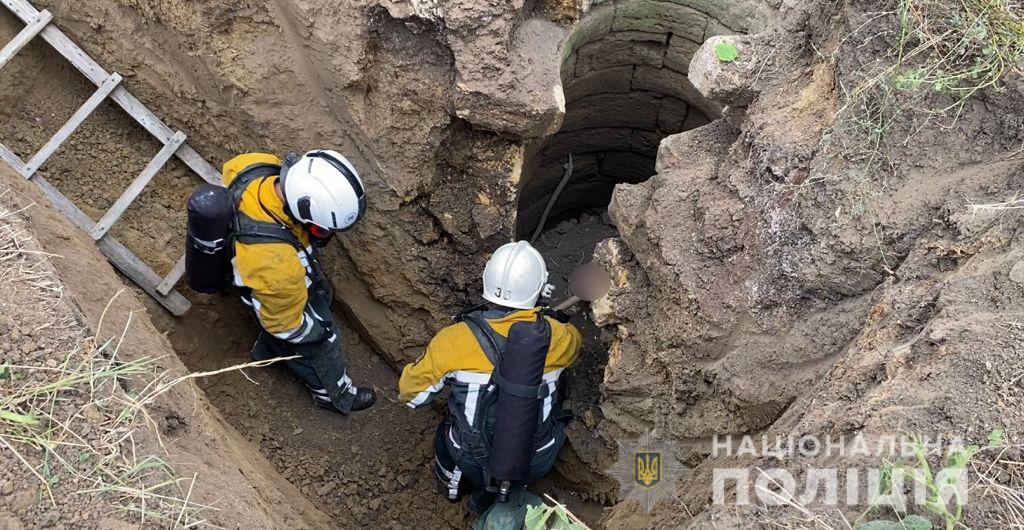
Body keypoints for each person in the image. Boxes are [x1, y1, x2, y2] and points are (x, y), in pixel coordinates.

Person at [398, 241, 582, 514]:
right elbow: (576, 346)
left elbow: (410, 395)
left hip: (472, 458)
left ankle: (454, 487)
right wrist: (551, 320)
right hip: (537, 459)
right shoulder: (560, 337)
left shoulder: (453, 340)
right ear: (540, 289)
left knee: (444, 433)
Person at [224, 150, 376, 414]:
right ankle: (335, 397)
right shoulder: (278, 268)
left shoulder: (255, 167)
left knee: (309, 309)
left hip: (264, 282)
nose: (324, 236)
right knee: (322, 345)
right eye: (321, 229)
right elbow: (283, 323)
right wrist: (316, 334)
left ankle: (266, 352)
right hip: (275, 297)